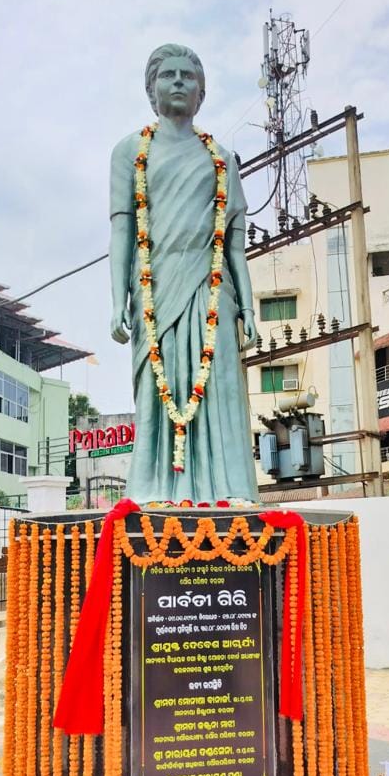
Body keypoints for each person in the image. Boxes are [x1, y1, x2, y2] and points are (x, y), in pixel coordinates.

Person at [109, 43, 259, 505]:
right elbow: (122, 231)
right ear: (151, 90)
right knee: (160, 390)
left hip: (213, 293)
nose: (178, 81)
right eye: (168, 74)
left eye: (187, 75)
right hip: (155, 292)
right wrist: (117, 301)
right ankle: (154, 489)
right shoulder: (130, 152)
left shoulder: (222, 158)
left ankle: (230, 489)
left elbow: (234, 245)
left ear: (202, 92)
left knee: (220, 388)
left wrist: (249, 308)